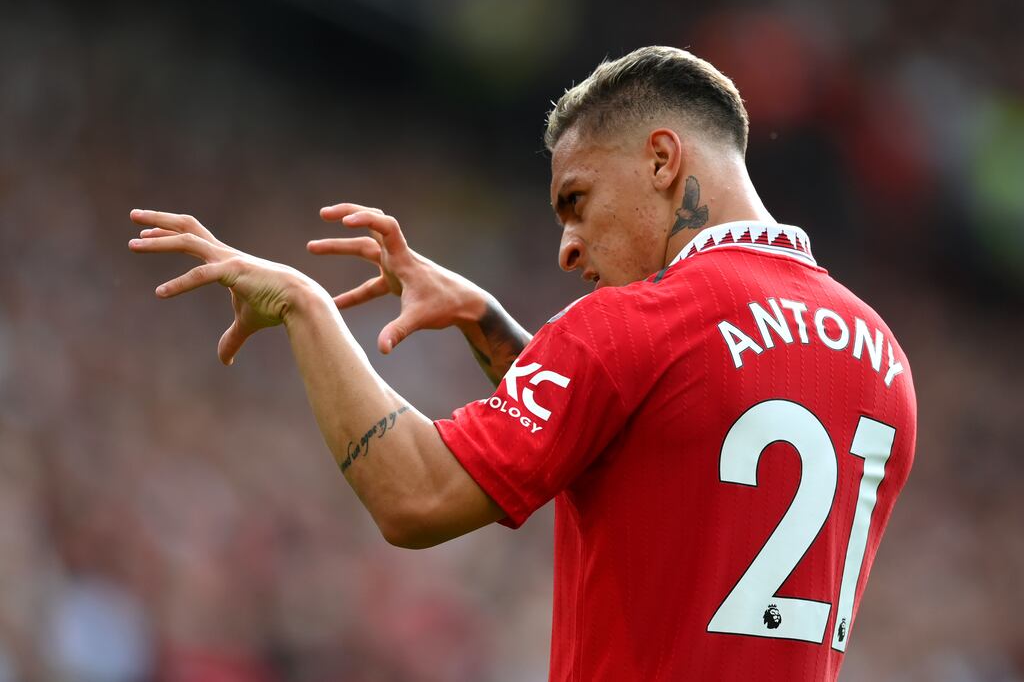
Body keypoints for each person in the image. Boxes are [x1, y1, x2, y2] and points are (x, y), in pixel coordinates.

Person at [129, 46, 917, 681]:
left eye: (575, 199)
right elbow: (641, 436)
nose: (568, 247)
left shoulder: (635, 324)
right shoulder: (882, 357)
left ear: (662, 159)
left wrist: (305, 304)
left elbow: (414, 495)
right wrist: (485, 319)